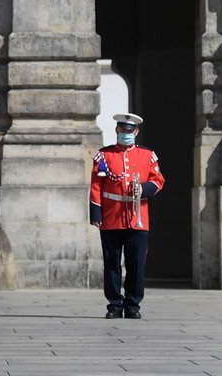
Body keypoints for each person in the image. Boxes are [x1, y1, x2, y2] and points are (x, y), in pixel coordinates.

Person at [89, 112, 165, 320]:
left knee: (136, 264)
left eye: (130, 131)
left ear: (136, 132)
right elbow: (97, 185)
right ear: (117, 130)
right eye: (123, 130)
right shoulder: (104, 155)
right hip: (112, 217)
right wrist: (96, 213)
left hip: (138, 216)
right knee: (112, 263)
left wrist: (145, 188)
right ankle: (114, 304)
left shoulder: (147, 155)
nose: (126, 134)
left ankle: (133, 304)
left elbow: (158, 180)